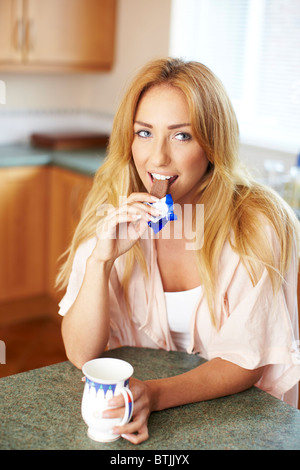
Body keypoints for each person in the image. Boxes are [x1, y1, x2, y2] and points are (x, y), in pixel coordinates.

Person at [57, 57, 300, 444]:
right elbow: (82, 352)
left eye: (181, 135)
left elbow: (245, 360)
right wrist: (101, 261)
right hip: (148, 416)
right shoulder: (115, 205)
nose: (157, 158)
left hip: (240, 421)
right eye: (144, 133)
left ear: (212, 143)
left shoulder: (258, 222)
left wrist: (153, 394)